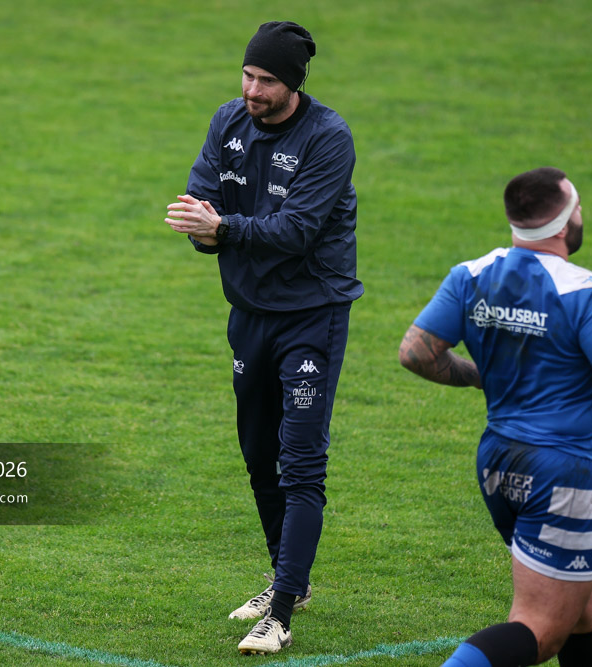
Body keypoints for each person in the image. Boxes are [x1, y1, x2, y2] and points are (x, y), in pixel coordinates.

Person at [398, 167, 592, 666]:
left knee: (586, 610)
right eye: (577, 206)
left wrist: (479, 376)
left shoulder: (472, 274)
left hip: (498, 461)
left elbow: (416, 353)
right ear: (563, 222)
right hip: (563, 474)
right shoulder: (583, 290)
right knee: (540, 628)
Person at [164, 20, 363, 655]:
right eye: (248, 75)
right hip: (249, 313)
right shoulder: (229, 121)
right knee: (256, 451)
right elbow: (201, 197)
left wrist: (220, 229)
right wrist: (202, 227)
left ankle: (279, 609)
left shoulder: (328, 138)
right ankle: (289, 579)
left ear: (294, 84)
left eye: (267, 80)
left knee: (301, 459)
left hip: (313, 315)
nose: (253, 88)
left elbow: (297, 229)